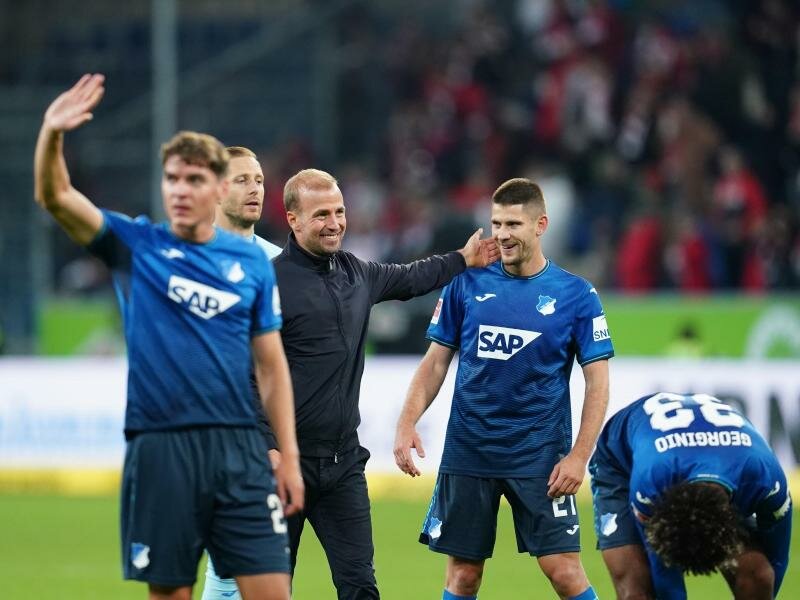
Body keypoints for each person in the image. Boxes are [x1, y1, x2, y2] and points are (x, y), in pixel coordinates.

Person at [33, 74, 304, 600]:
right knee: (171, 594)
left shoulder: (252, 263)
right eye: (172, 179)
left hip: (239, 448)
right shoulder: (138, 245)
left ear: (218, 189)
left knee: (274, 592)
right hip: (162, 447)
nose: (180, 190)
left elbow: (271, 366)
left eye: (194, 179)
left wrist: (288, 456)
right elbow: (56, 196)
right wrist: (52, 132)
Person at [268, 168, 500, 599]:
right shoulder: (270, 283)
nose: (335, 223)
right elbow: (248, 375)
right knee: (270, 589)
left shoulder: (356, 273)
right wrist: (269, 449)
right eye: (321, 215)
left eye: (339, 212)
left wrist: (462, 259)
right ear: (293, 219)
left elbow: (410, 278)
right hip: (284, 464)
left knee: (361, 587)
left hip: (342, 465)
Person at [394, 177, 612, 600]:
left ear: (540, 225)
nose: (502, 234)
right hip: (469, 451)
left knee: (564, 572)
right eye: (496, 224)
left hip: (540, 455)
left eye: (513, 224)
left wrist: (578, 456)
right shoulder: (467, 283)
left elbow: (598, 384)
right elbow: (435, 362)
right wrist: (407, 423)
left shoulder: (577, 295)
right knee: (463, 577)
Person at [589, 391, 792, 600]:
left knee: (758, 575)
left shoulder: (767, 480)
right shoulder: (651, 480)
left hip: (690, 457)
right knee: (636, 593)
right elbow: (666, 581)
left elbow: (777, 560)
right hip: (620, 464)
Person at [201, 145, 283, 600]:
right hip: (201, 432)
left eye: (259, 180)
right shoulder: (187, 257)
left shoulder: (278, 264)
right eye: (242, 180)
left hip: (257, 438)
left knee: (240, 567)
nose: (255, 189)